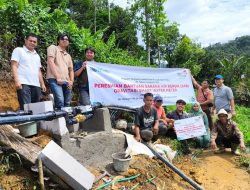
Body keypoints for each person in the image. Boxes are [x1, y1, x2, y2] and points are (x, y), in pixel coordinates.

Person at [11, 33, 46, 110]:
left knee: (35, 109)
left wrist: (42, 84)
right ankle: (26, 122)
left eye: (34, 42)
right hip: (24, 84)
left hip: (36, 85)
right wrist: (17, 81)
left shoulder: (37, 55)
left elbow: (38, 71)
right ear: (25, 40)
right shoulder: (19, 50)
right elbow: (14, 65)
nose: (32, 43)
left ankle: (34, 122)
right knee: (26, 108)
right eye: (30, 41)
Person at [46, 33, 74, 109]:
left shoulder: (68, 55)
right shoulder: (53, 48)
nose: (65, 40)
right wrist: (58, 77)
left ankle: (66, 120)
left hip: (67, 81)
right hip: (54, 79)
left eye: (66, 39)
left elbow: (71, 70)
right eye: (62, 39)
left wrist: (71, 81)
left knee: (67, 103)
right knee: (60, 101)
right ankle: (59, 119)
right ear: (58, 41)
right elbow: (50, 61)